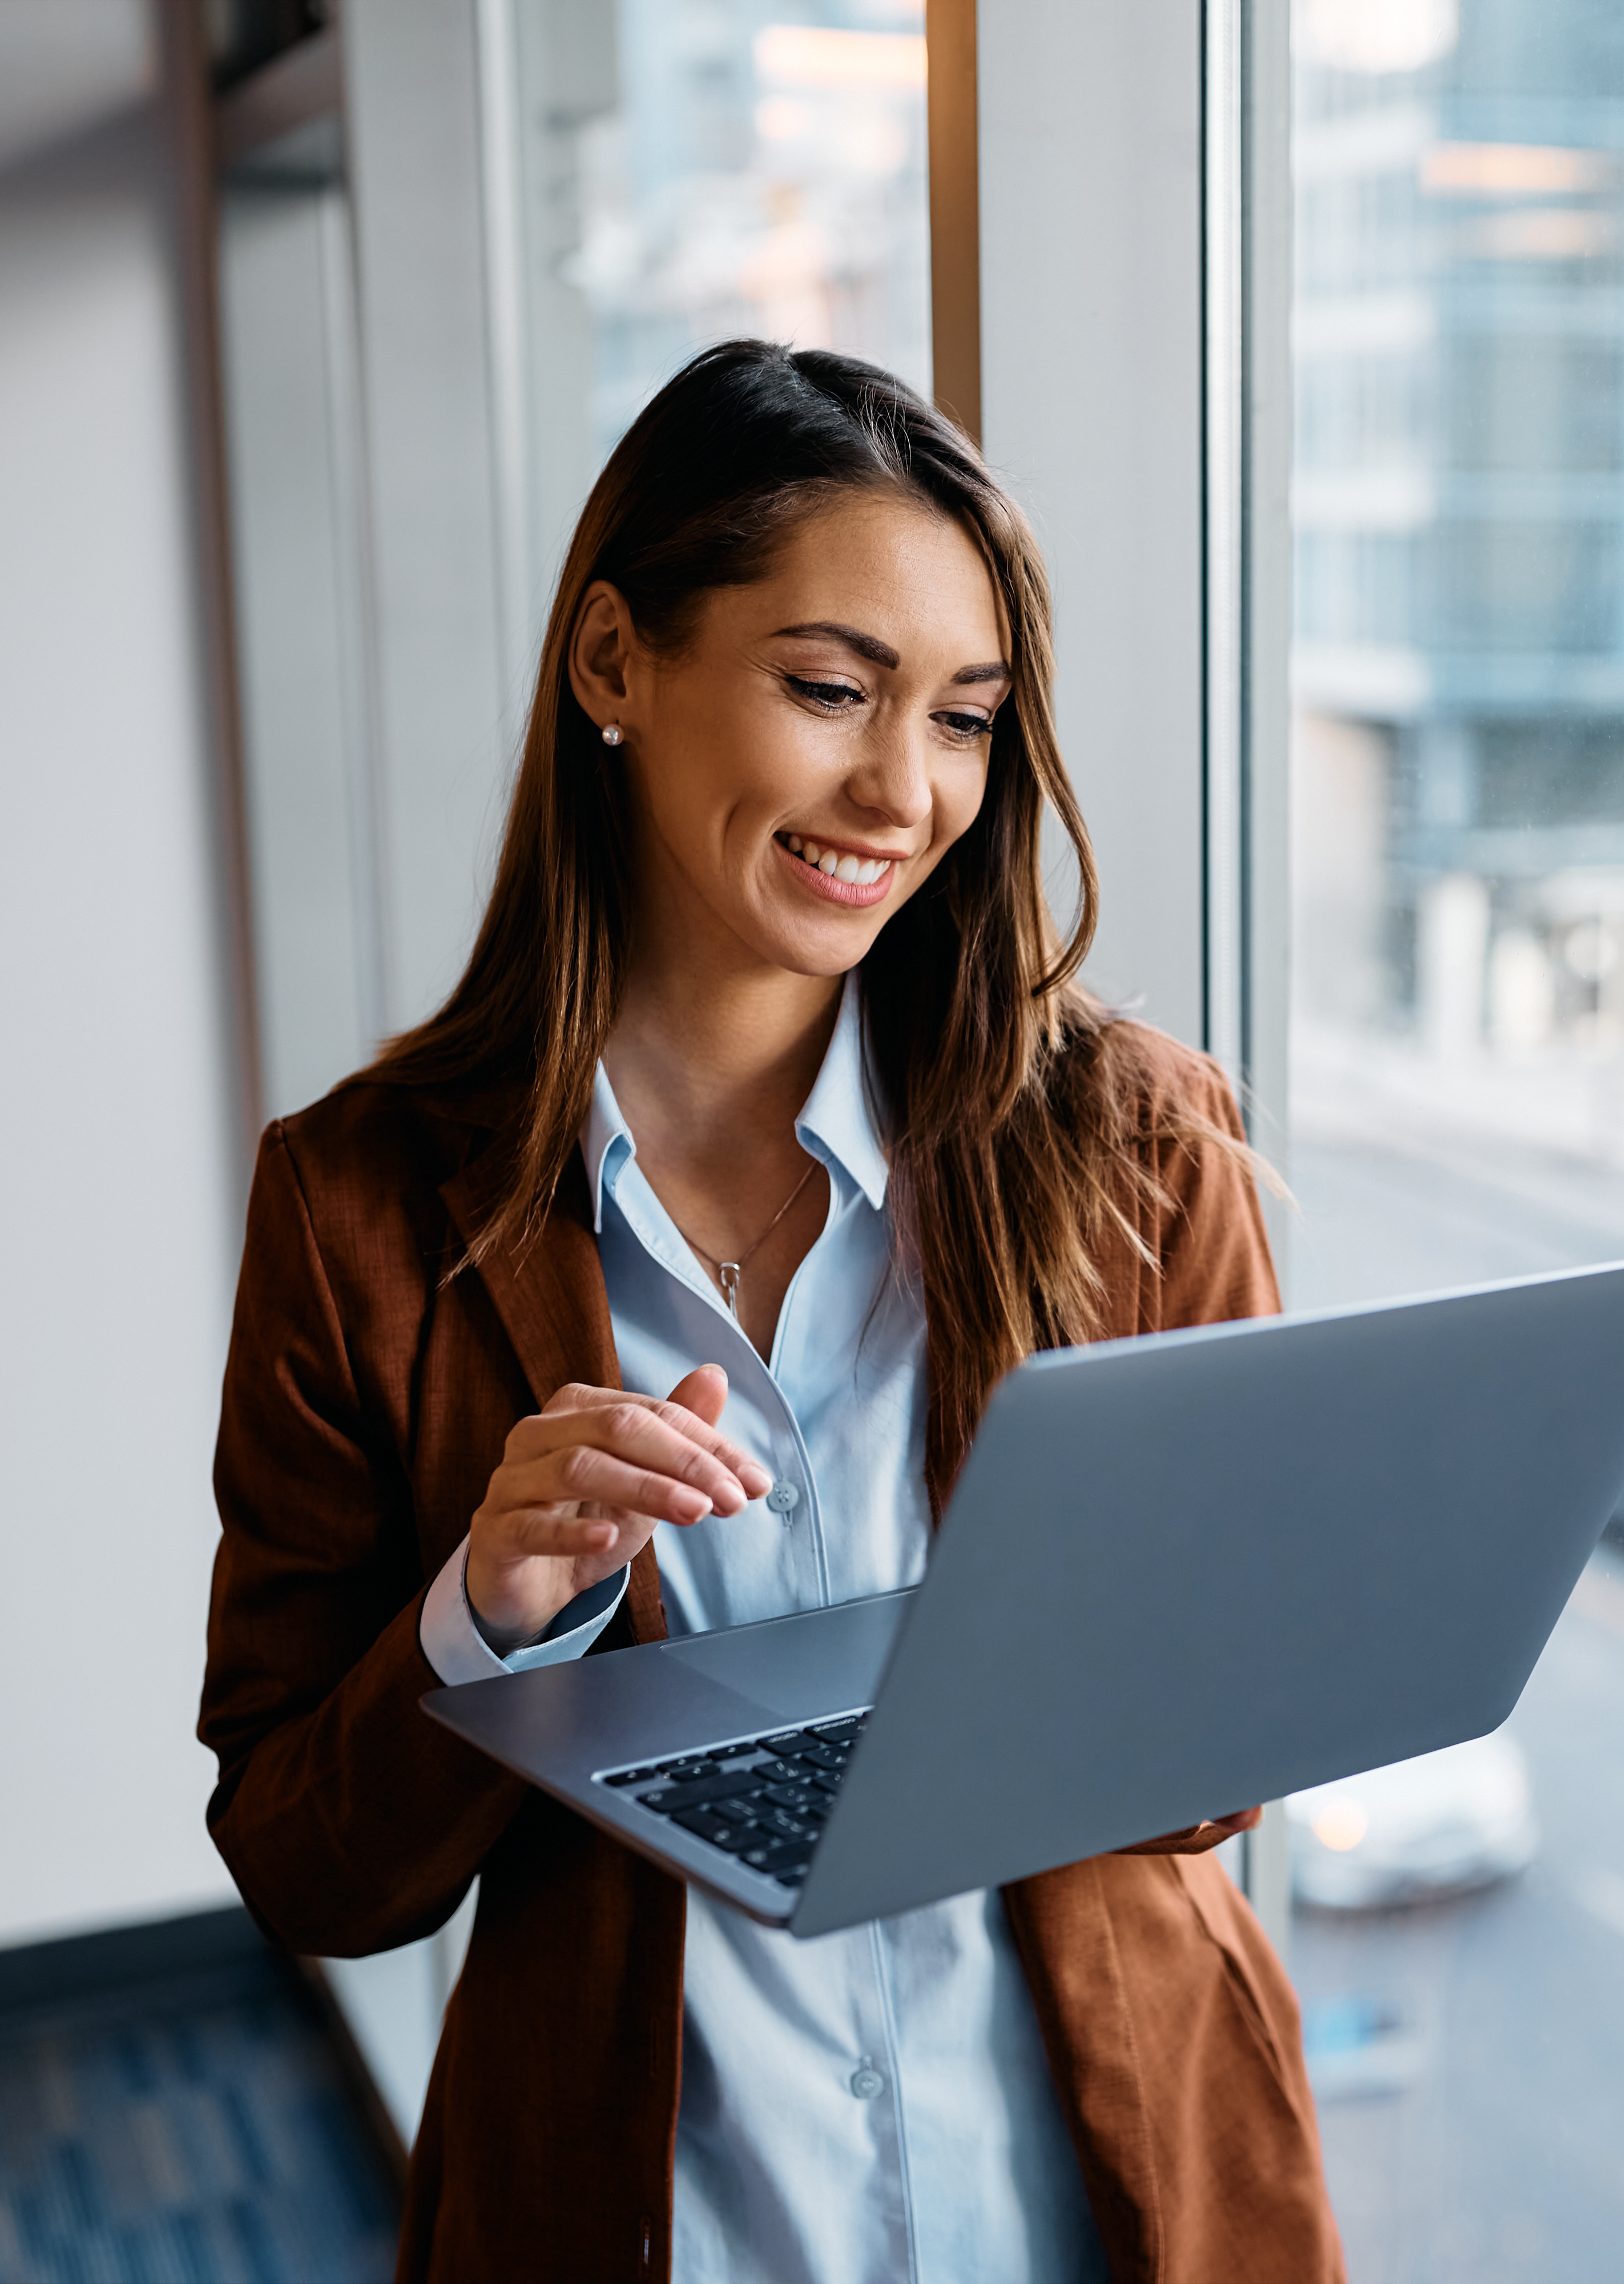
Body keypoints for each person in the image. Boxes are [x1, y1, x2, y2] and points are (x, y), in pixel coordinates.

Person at [199, 342, 1344, 2283]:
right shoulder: (363, 1205)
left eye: (969, 719)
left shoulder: (1142, 1147)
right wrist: (483, 1616)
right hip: (655, 2221)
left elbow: (1218, 1769)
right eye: (831, 689)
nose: (904, 792)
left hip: (1114, 2199)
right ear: (614, 666)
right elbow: (311, 1862)